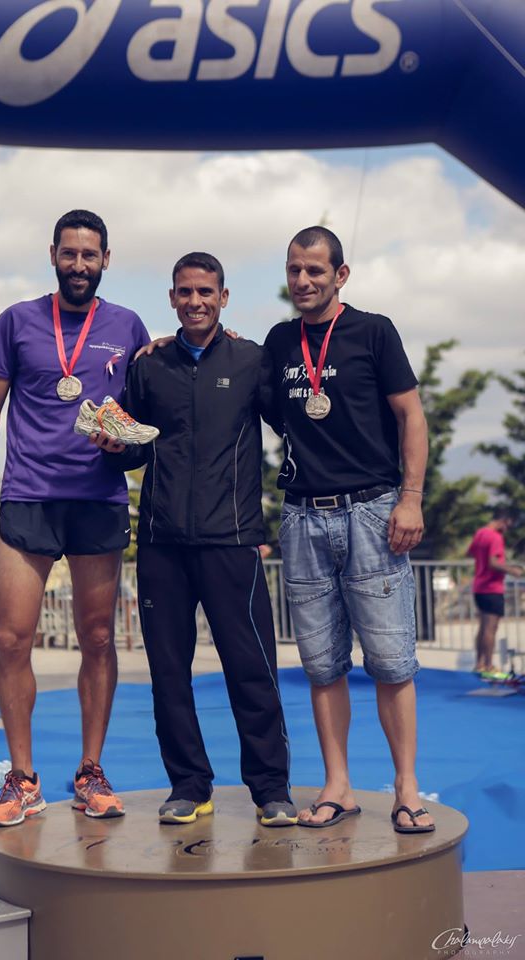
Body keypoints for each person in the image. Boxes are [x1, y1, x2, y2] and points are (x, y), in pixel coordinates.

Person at [0, 209, 150, 827]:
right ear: (53, 255)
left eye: (90, 255)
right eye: (70, 254)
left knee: (98, 638)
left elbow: (146, 404)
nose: (79, 265)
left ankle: (91, 772)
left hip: (98, 499)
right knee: (12, 640)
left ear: (106, 259)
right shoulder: (17, 320)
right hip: (28, 497)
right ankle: (23, 779)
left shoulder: (127, 325)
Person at [96, 252, 296, 827]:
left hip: (232, 541)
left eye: (206, 291)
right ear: (172, 298)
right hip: (161, 543)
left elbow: (292, 426)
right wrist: (114, 447)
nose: (195, 301)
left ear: (224, 297)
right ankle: (189, 785)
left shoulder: (252, 360)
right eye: (185, 292)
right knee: (168, 673)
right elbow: (132, 447)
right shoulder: (149, 366)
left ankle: (270, 790)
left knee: (251, 670)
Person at [263, 225, 434, 834]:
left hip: (372, 512)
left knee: (391, 661)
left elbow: (411, 416)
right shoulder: (279, 341)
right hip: (302, 517)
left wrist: (410, 499)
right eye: (294, 269)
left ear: (340, 274)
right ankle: (338, 785)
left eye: (315, 270)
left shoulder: (374, 331)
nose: (303, 280)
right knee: (321, 665)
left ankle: (406, 788)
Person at [467, 508, 523, 673]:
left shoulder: (481, 533)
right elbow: (493, 563)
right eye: (508, 525)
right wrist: (513, 570)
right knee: (491, 629)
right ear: (503, 521)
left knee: (483, 628)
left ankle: (479, 664)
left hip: (479, 587)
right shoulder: (495, 537)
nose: (507, 529)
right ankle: (489, 666)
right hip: (492, 589)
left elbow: (470, 553)